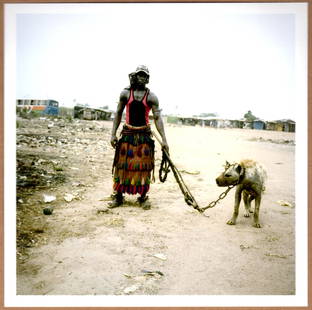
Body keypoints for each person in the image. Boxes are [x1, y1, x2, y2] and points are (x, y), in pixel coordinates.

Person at [109, 65, 169, 209]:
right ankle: (118, 196)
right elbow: (118, 113)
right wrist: (113, 134)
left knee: (144, 167)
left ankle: (142, 197)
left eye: (144, 75)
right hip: (127, 135)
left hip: (144, 137)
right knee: (122, 166)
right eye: (139, 75)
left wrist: (164, 140)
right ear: (135, 76)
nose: (141, 77)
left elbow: (157, 117)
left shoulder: (151, 97)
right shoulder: (125, 93)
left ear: (147, 79)